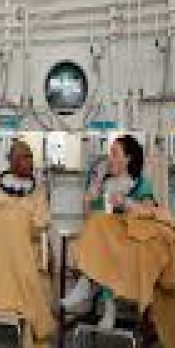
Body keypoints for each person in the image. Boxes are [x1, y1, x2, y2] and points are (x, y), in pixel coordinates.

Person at [0, 139, 54, 348]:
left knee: (15, 223)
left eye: (31, 157)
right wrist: (3, 215)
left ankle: (18, 304)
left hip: (25, 250)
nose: (29, 162)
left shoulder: (37, 192)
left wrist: (17, 217)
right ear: (12, 161)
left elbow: (41, 223)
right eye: (24, 157)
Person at [60, 134, 157, 329]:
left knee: (103, 244)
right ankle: (105, 303)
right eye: (109, 154)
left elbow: (150, 212)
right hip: (106, 244)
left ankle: (88, 287)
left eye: (114, 154)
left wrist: (126, 203)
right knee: (99, 233)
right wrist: (88, 201)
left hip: (129, 244)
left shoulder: (140, 184)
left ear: (128, 158)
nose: (109, 159)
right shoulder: (104, 184)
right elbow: (90, 220)